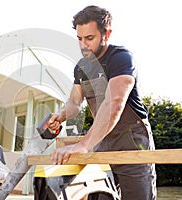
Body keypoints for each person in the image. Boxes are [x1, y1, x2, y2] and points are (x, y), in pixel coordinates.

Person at [48, 5, 157, 200]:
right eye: (79, 39)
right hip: (101, 138)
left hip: (131, 140)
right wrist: (61, 115)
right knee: (98, 194)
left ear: (107, 33)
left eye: (89, 38)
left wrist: (84, 144)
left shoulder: (121, 58)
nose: (83, 45)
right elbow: (74, 101)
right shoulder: (81, 68)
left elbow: (114, 102)